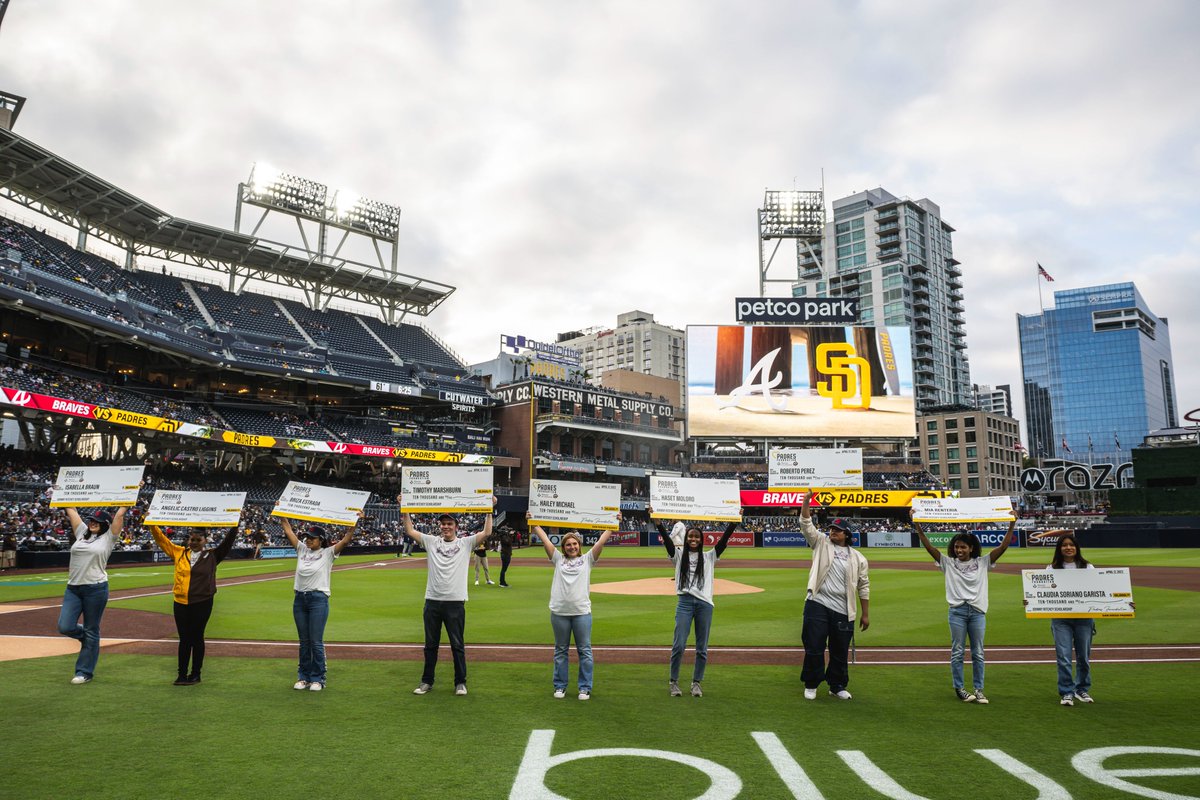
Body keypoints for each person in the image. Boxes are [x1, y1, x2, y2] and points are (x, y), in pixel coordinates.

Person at [399, 494, 496, 696]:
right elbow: (409, 530)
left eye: (449, 523)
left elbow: (487, 531)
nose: (445, 526)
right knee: (430, 646)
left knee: (457, 645)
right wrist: (404, 506)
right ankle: (427, 681)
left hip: (455, 602)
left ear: (456, 526)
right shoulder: (431, 541)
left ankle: (460, 682)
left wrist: (489, 508)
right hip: (432, 601)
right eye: (443, 524)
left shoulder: (465, 543)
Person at [913, 511, 1014, 704]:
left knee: (978, 652)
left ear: (971, 548)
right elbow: (928, 546)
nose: (959, 550)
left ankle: (979, 689)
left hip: (977, 611)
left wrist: (1011, 524)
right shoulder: (948, 563)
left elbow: (1004, 546)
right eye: (957, 547)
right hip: (957, 611)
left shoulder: (982, 562)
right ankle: (960, 688)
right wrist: (917, 524)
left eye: (963, 547)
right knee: (958, 652)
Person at [652, 507, 739, 698]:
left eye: (696, 537)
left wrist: (734, 521)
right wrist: (658, 524)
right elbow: (667, 543)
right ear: (686, 538)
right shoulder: (678, 556)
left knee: (702, 648)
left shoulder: (709, 557)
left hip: (704, 605)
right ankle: (673, 681)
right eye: (690, 537)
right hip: (684, 603)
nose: (693, 539)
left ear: (701, 539)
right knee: (679, 645)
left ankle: (696, 683)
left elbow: (723, 542)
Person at [528, 514, 614, 700]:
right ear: (563, 547)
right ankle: (560, 686)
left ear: (579, 546)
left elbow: (600, 542)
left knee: (585, 650)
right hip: (559, 612)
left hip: (582, 612)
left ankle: (585, 687)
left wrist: (613, 523)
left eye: (574, 544)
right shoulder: (558, 559)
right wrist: (534, 523)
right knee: (560, 650)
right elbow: (545, 540)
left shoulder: (588, 559)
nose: (572, 547)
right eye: (568, 544)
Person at [798, 490, 870, 700]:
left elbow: (863, 586)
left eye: (837, 530)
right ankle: (811, 683)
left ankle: (836, 685)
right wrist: (806, 502)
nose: (832, 532)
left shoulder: (858, 558)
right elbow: (806, 524)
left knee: (839, 651)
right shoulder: (821, 543)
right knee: (814, 646)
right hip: (817, 602)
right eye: (831, 529)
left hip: (843, 608)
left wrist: (865, 614)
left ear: (847, 534)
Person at [149, 522, 240, 685]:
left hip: (202, 602)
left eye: (198, 540)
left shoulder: (213, 556)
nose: (194, 542)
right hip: (180, 601)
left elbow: (228, 542)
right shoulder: (179, 552)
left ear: (205, 541)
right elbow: (162, 540)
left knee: (197, 637)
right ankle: (181, 674)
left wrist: (235, 525)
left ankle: (196, 674)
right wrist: (152, 525)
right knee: (184, 639)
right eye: (192, 539)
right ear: (188, 540)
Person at [279, 515, 357, 692]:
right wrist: (282, 513)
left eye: (312, 538)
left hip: (318, 599)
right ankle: (303, 677)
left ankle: (318, 678)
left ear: (321, 540)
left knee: (315, 641)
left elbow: (346, 540)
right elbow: (288, 529)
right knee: (304, 641)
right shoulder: (301, 549)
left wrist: (354, 523)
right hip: (299, 599)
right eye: (306, 537)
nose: (307, 540)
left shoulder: (328, 553)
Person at [57, 507, 127, 684]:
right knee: (65, 626)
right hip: (73, 588)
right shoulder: (81, 532)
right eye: (91, 520)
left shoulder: (109, 538)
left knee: (91, 628)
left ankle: (84, 672)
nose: (92, 523)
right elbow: (71, 510)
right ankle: (89, 638)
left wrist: (132, 490)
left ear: (105, 524)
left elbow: (119, 515)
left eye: (97, 521)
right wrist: (64, 489)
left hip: (95, 589)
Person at [1048, 532, 1098, 706]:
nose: (1068, 548)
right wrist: (1031, 601)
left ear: (1076, 547)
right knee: (1063, 656)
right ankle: (1067, 692)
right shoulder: (1052, 568)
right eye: (1064, 545)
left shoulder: (1087, 567)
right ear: (1059, 548)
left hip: (1084, 618)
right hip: (1061, 618)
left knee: (1083, 657)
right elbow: (1044, 592)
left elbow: (1101, 589)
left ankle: (1082, 689)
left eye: (1071, 545)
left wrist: (1124, 603)